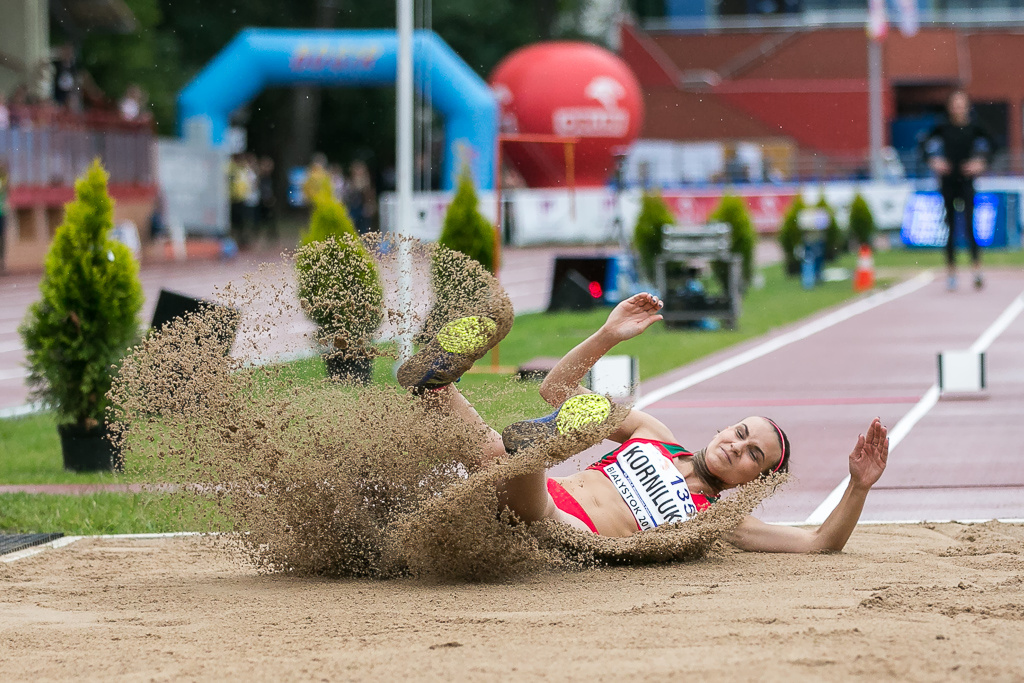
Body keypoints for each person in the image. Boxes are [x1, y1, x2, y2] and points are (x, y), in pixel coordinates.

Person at [397, 293, 890, 552]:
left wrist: (859, 485)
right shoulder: (654, 435)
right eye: (740, 434)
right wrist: (608, 334)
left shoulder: (718, 521)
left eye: (753, 455)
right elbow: (557, 390)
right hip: (525, 497)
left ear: (754, 481)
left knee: (507, 458)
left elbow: (818, 542)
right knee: (494, 452)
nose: (738, 447)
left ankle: (536, 443)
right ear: (723, 429)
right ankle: (435, 380)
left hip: (560, 531)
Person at [922, 90, 996, 292]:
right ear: (949, 107)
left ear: (967, 106)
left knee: (971, 227)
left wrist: (982, 162)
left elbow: (993, 145)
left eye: (961, 104)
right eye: (955, 104)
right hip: (948, 183)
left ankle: (977, 270)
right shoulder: (942, 127)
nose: (958, 108)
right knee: (950, 228)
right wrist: (933, 161)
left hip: (967, 182)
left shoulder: (975, 127)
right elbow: (923, 144)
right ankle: (951, 273)